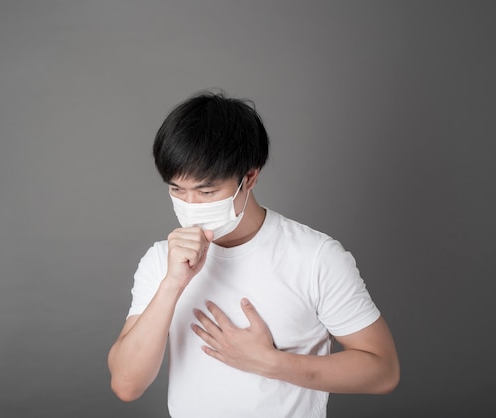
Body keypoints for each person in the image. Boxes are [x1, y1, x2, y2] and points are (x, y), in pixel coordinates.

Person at [108, 90, 400, 417]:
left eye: (206, 191)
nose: (190, 206)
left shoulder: (315, 256)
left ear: (249, 177)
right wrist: (173, 284)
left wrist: (271, 363)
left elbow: (383, 371)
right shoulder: (161, 260)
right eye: (177, 190)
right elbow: (126, 384)